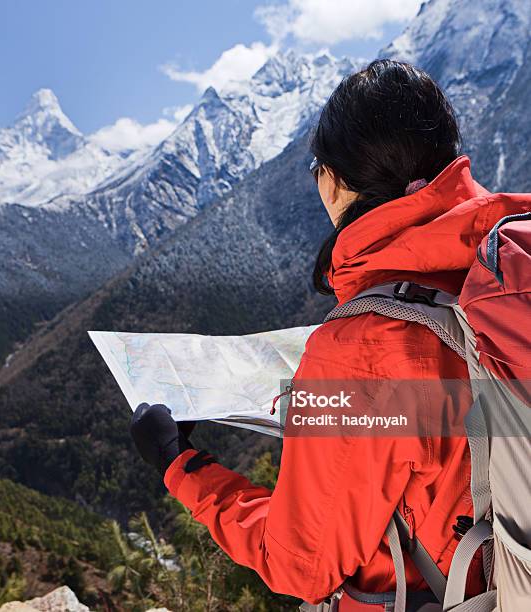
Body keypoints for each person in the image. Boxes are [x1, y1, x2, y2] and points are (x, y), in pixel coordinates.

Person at [129, 59, 514, 609]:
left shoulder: (364, 348)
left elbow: (299, 563)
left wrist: (180, 464)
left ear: (333, 180)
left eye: (316, 167)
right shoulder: (503, 267)